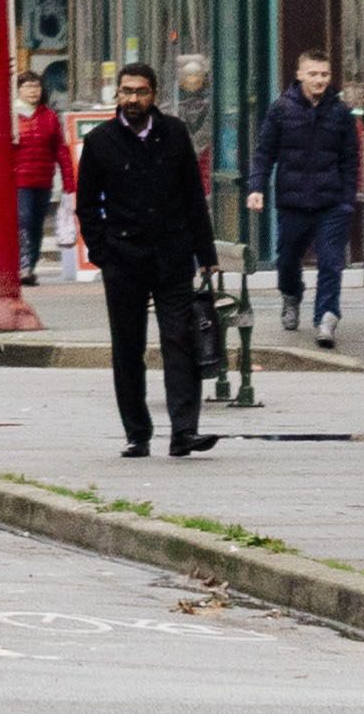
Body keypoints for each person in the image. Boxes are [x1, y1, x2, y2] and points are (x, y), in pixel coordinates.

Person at [71, 58, 220, 461]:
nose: (132, 98)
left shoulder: (173, 133)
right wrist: (103, 253)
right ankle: (137, 433)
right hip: (124, 258)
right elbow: (86, 206)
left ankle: (184, 432)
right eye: (126, 91)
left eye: (140, 91)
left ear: (154, 94)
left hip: (172, 254)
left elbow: (193, 195)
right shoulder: (101, 141)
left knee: (180, 341)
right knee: (127, 347)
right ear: (117, 95)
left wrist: (205, 253)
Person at [261, 52, 364, 349]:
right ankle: (291, 295)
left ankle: (326, 318)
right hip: (293, 203)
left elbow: (350, 160)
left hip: (331, 203)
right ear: (300, 75)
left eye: (324, 74)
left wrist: (346, 200)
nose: (319, 80)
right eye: (313, 74)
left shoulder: (341, 113)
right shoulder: (281, 110)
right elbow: (265, 152)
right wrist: (257, 187)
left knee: (332, 262)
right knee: (287, 259)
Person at [13, 66, 79, 286]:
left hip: (43, 179)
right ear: (18, 90)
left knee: (36, 224)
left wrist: (69, 182)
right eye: (27, 87)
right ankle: (21, 265)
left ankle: (29, 266)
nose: (33, 91)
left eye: (36, 86)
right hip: (18, 180)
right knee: (24, 220)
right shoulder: (11, 116)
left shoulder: (49, 116)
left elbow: (60, 149)